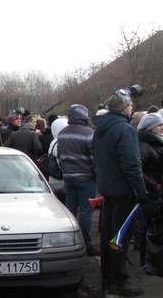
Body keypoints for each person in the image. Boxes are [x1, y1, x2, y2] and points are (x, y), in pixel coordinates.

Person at [92, 88, 147, 296]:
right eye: (131, 105)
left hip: (107, 189)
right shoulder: (125, 129)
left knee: (109, 236)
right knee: (119, 238)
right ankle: (118, 281)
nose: (132, 107)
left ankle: (108, 277)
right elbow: (131, 165)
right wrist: (141, 192)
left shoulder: (100, 129)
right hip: (124, 192)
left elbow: (96, 160)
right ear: (124, 108)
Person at [57, 104, 99, 256]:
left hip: (68, 178)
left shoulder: (62, 134)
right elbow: (95, 159)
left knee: (70, 210)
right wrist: (96, 174)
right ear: (85, 116)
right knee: (86, 212)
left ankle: (69, 241)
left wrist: (66, 171)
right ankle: (86, 244)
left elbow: (59, 157)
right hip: (86, 178)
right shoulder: (89, 133)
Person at [136, 113, 163, 268]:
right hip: (150, 194)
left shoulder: (156, 143)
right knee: (149, 229)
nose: (162, 128)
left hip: (157, 193)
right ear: (150, 128)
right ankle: (147, 263)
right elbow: (137, 170)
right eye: (159, 125)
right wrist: (154, 185)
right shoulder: (144, 145)